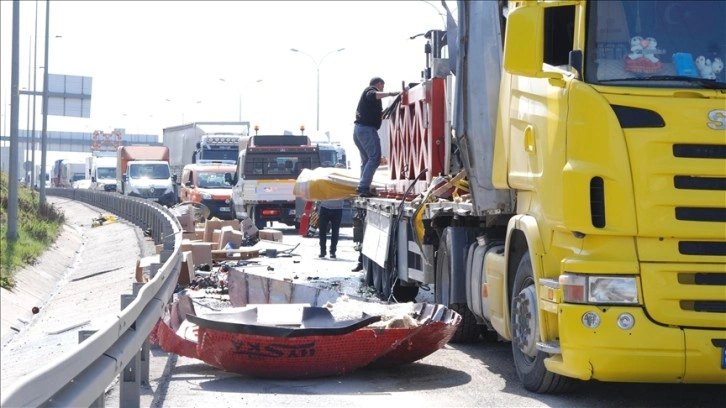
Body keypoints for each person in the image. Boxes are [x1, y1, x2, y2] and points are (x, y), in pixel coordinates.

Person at [353, 77, 398, 197]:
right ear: (379, 84)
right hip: (367, 130)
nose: (383, 88)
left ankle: (362, 186)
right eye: (383, 86)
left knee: (366, 160)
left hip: (359, 130)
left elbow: (377, 114)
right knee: (375, 158)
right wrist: (390, 94)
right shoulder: (370, 90)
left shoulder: (369, 104)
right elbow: (372, 95)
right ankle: (363, 186)